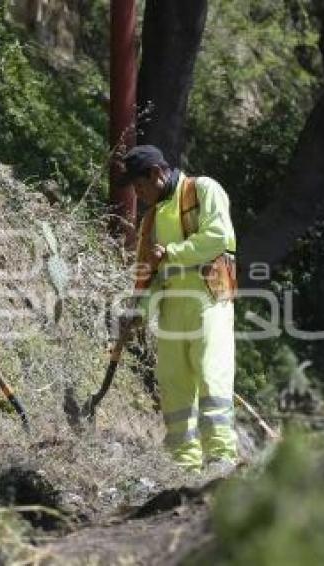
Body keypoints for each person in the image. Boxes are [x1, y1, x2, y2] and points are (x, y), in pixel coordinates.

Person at [120, 145, 238, 472]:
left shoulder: (203, 190)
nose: (138, 193)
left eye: (140, 186)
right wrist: (138, 313)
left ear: (156, 173)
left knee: (211, 375)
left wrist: (171, 252)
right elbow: (149, 277)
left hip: (209, 301)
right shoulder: (152, 219)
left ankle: (221, 458)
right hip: (173, 309)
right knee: (174, 384)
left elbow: (218, 237)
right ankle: (184, 465)